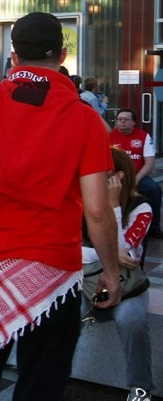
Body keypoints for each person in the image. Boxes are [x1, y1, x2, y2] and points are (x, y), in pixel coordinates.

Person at [0, 12, 120, 401]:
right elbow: (97, 210)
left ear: (13, 57)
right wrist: (112, 272)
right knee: (41, 385)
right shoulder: (85, 119)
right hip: (52, 269)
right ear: (62, 55)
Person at [80, 147, 153, 401]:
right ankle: (54, 379)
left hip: (128, 287)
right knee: (65, 314)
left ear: (118, 177)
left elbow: (127, 252)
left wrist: (113, 208)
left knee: (131, 318)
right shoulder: (85, 202)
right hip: (89, 283)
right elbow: (71, 250)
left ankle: (140, 390)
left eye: (99, 172)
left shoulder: (142, 207)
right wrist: (108, 254)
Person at [109, 108, 163, 239]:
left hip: (137, 176)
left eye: (126, 119)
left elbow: (149, 163)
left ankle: (154, 228)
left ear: (133, 122)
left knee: (154, 189)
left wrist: (136, 179)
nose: (122, 122)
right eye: (120, 119)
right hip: (115, 176)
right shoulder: (109, 136)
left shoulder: (144, 136)